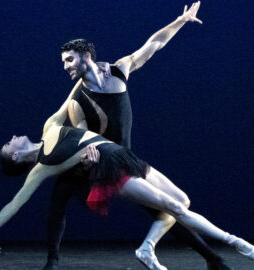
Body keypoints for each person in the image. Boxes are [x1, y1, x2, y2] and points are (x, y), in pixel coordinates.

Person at [45, 1, 231, 269]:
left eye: (69, 60)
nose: (65, 67)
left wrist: (180, 21)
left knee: (169, 209)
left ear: (86, 56)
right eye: (63, 62)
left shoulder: (119, 70)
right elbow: (83, 139)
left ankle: (211, 258)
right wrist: (87, 157)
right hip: (101, 165)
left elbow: (153, 45)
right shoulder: (78, 101)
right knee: (59, 196)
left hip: (127, 161)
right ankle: (52, 261)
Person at [0, 95, 254, 268]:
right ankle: (232, 240)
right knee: (173, 207)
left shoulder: (49, 126)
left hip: (122, 154)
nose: (12, 138)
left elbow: (71, 97)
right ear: (15, 158)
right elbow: (15, 203)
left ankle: (146, 248)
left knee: (182, 201)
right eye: (9, 145)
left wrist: (84, 66)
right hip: (109, 170)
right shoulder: (41, 167)